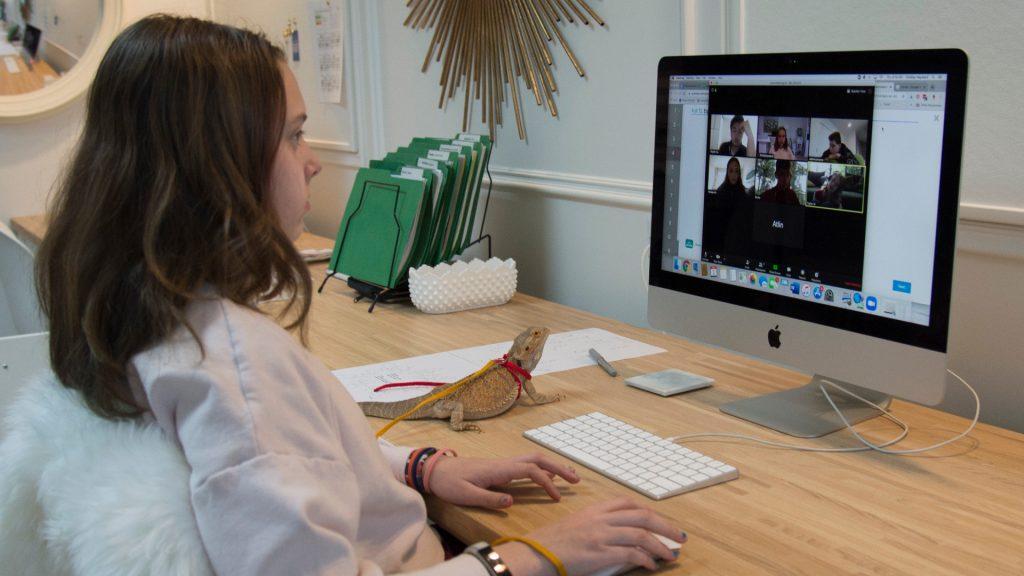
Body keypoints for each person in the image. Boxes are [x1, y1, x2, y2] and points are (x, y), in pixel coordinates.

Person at [34, 15, 686, 576]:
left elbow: (284, 465)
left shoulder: (151, 316)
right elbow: (267, 449)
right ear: (219, 167)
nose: (312, 160)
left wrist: (419, 468)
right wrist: (531, 555)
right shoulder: (241, 372)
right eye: (292, 136)